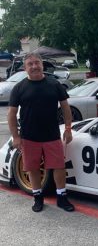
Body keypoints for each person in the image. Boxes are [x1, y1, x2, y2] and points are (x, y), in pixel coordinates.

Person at [7, 52, 75, 213]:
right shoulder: (19, 88)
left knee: (58, 167)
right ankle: (38, 197)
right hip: (29, 137)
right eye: (30, 64)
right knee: (33, 168)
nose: (34, 66)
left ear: (42, 65)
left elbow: (66, 108)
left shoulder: (54, 84)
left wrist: (68, 129)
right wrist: (16, 137)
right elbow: (10, 114)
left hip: (52, 135)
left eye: (37, 63)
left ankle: (61, 197)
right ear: (25, 68)